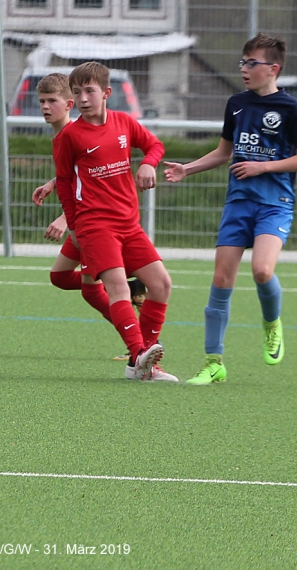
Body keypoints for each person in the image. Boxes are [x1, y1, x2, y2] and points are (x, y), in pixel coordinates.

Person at [163, 33, 297, 385]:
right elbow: (223, 152)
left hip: (275, 204)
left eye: (251, 63)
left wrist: (263, 167)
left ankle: (272, 324)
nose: (244, 69)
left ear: (273, 69)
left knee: (262, 270)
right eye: (242, 63)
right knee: (221, 279)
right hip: (239, 203)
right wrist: (187, 169)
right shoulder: (236, 104)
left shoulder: (291, 109)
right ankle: (213, 362)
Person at [53, 61, 177, 382]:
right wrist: (73, 225)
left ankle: (143, 362)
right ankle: (138, 355)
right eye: (77, 92)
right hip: (95, 225)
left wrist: (148, 163)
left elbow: (155, 145)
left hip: (129, 224)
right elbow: (64, 182)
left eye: (89, 91)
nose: (83, 99)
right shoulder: (69, 136)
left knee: (161, 284)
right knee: (118, 287)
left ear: (107, 93)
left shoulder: (124, 122)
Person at [30, 73, 147, 361]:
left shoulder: (75, 132)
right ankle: (130, 292)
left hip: (93, 224)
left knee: (92, 290)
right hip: (87, 222)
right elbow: (75, 175)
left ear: (68, 103)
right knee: (60, 277)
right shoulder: (64, 135)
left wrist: (65, 220)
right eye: (41, 101)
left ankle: (138, 343)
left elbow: (90, 184)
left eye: (51, 101)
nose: (45, 107)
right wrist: (53, 183)